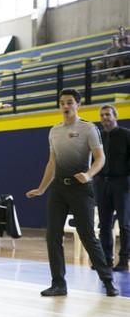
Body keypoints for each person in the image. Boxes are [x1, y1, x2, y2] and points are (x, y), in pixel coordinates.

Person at [26, 89, 118, 297]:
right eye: (62, 103)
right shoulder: (54, 131)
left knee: (87, 236)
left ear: (78, 104)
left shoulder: (88, 129)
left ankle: (107, 281)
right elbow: (52, 162)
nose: (65, 106)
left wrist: (89, 174)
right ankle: (58, 283)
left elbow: (100, 158)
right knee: (53, 236)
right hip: (59, 188)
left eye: (69, 102)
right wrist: (42, 188)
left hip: (80, 188)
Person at [95, 104, 130, 271]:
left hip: (122, 183)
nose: (105, 118)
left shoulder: (126, 135)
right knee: (105, 224)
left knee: (124, 224)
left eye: (108, 115)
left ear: (115, 116)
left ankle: (124, 260)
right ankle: (106, 259)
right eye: (102, 115)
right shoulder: (98, 137)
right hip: (101, 183)